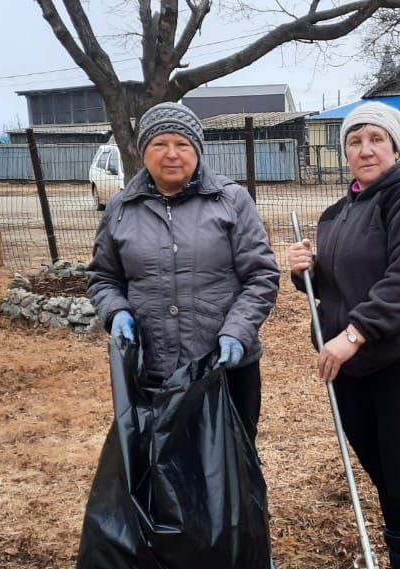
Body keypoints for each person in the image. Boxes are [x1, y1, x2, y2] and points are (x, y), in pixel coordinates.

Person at [286, 101, 400, 569]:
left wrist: (354, 333)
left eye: (376, 139)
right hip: (354, 366)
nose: (365, 149)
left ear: (396, 146)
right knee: (385, 480)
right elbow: (339, 283)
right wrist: (307, 273)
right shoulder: (338, 212)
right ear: (345, 153)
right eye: (354, 141)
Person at [87, 100, 280, 447]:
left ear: (198, 150)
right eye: (160, 144)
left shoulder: (231, 200)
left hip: (223, 369)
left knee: (229, 470)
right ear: (144, 151)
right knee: (163, 473)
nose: (171, 154)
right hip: (153, 369)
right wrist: (115, 311)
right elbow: (104, 277)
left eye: (182, 144)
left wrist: (237, 332)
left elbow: (261, 276)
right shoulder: (120, 208)